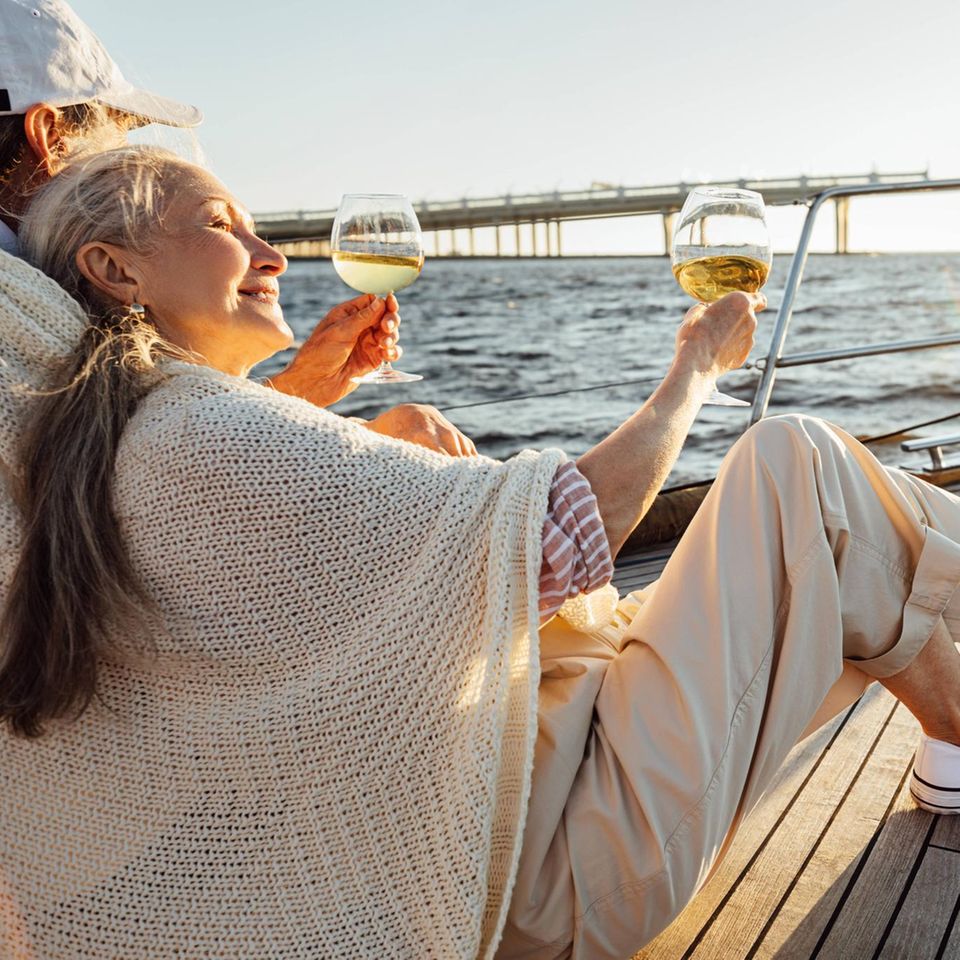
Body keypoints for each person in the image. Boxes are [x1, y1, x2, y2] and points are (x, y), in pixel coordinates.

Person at [2, 145, 960, 960]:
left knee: (812, 516)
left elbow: (249, 547)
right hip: (521, 874)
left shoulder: (99, 438)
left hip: (430, 834)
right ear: (116, 270)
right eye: (223, 225)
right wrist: (696, 370)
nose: (272, 253)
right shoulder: (204, 439)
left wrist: (312, 394)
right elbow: (575, 528)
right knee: (802, 475)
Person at [0, 0, 475, 455]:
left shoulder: (33, 302)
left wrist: (295, 390)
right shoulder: (21, 311)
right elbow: (156, 463)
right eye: (116, 133)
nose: (122, 157)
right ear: (52, 135)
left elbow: (120, 451)